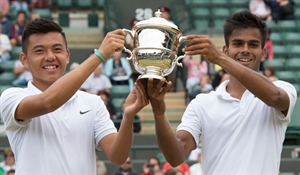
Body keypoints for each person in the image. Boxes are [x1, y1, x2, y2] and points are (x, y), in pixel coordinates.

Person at [143, 10, 297, 174]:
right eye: (237, 44)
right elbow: (176, 156)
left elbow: (274, 97)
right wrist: (159, 113)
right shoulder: (202, 103)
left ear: (264, 53)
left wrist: (220, 59)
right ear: (225, 50)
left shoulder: (283, 89)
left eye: (253, 44)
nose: (245, 50)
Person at [0, 18, 149, 174]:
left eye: (57, 49)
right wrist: (99, 56)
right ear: (24, 60)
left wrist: (128, 116)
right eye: (39, 51)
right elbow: (47, 103)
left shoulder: (93, 102)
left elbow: (118, 157)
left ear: (67, 55)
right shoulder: (12, 97)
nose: (50, 56)